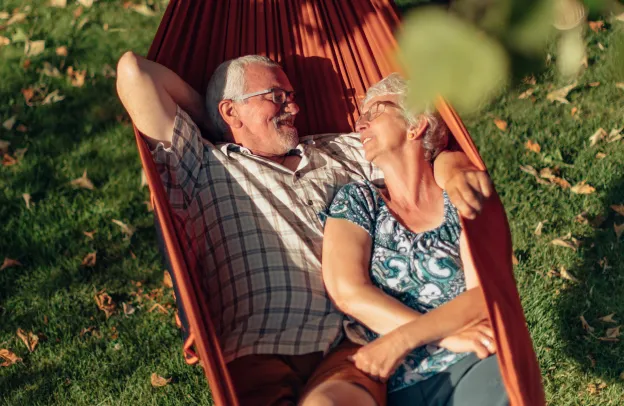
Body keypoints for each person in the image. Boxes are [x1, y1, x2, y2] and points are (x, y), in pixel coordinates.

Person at [116, 53, 493, 406]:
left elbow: (417, 149)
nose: (293, 107)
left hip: (351, 343)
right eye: (276, 97)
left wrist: (456, 171)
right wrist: (217, 121)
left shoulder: (339, 151)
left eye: (292, 97)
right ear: (231, 109)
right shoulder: (200, 165)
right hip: (259, 350)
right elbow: (134, 72)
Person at [315, 73, 508, 406]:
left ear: (415, 124)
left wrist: (403, 339)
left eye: (374, 112)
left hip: (470, 362)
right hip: (388, 381)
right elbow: (348, 292)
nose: (360, 125)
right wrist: (447, 336)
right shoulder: (359, 200)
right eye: (360, 117)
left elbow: (484, 295)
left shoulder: (458, 196)